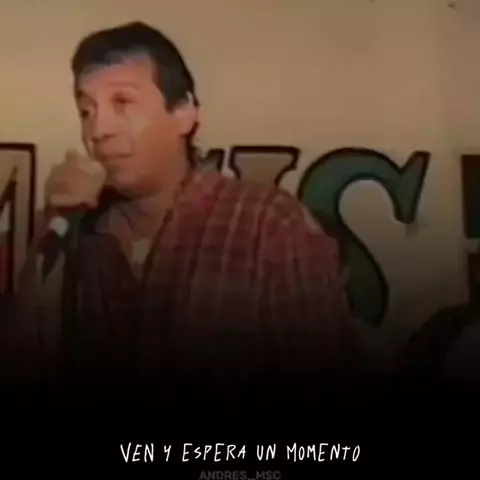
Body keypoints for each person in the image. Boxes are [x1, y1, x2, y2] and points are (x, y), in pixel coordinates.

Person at [1, 21, 358, 388]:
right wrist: (54, 228)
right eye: (86, 111)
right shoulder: (73, 232)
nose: (98, 130)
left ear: (184, 113)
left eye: (122, 103)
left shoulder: (269, 224)